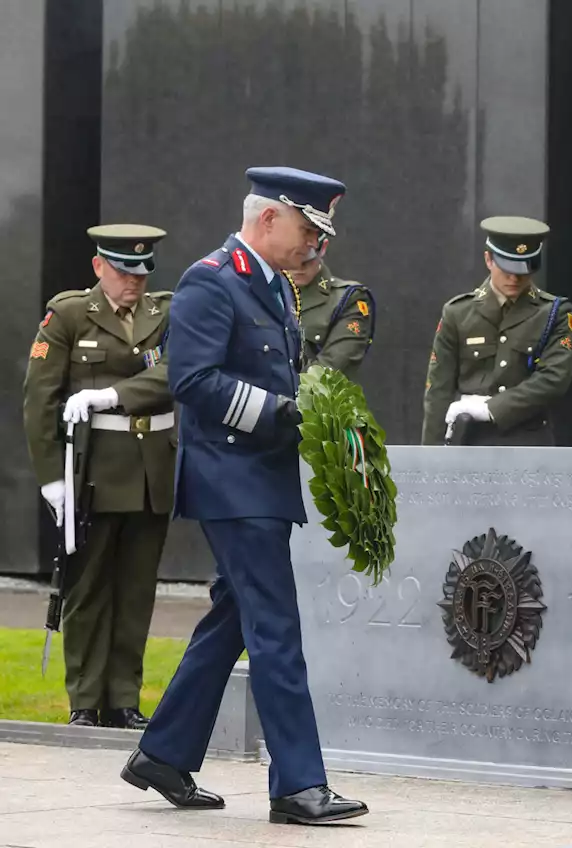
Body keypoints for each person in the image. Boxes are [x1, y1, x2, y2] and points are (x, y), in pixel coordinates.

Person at [119, 166, 368, 824]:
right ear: (268, 220)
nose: (315, 244)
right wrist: (277, 413)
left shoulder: (275, 287)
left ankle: (163, 755)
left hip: (263, 479)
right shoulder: (212, 280)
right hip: (232, 482)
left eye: (319, 233)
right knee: (276, 629)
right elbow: (193, 381)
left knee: (232, 620)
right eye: (307, 229)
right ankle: (297, 785)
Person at [22, 224, 175, 730]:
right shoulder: (68, 314)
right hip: (91, 470)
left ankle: (124, 699)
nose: (134, 280)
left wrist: (114, 395)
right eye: (123, 270)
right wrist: (51, 478)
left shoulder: (167, 312)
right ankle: (85, 701)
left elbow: (179, 371)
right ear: (99, 267)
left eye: (142, 271)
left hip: (152, 468)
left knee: (136, 589)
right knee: (87, 589)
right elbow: (40, 398)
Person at [421, 216, 572, 446]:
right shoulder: (459, 313)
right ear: (488, 260)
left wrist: (491, 408)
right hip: (470, 440)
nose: (514, 278)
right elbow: (438, 390)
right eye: (507, 268)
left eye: (523, 270)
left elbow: (554, 379)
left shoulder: (554, 313)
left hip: (529, 441)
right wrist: (430, 459)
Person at [286, 233, 376, 379]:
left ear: (322, 248)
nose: (298, 267)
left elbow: (330, 370)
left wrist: (274, 397)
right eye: (292, 260)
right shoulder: (268, 291)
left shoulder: (348, 300)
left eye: (306, 261)